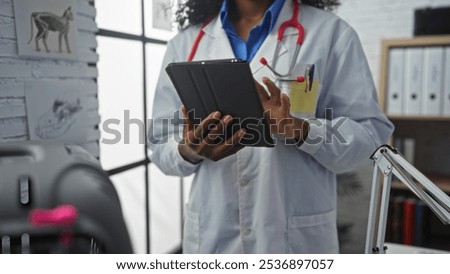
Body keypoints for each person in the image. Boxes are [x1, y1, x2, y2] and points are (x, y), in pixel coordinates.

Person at [149, 0, 394, 253]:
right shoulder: (186, 43)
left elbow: (370, 138)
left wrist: (300, 129)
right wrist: (189, 149)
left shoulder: (331, 34)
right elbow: (159, 144)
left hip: (293, 243)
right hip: (215, 236)